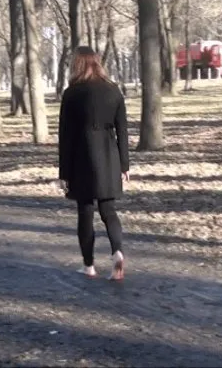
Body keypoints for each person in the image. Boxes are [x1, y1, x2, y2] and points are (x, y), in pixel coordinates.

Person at [58, 46, 130, 281]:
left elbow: (65, 136)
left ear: (77, 65)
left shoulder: (72, 94)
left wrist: (64, 172)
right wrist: (124, 166)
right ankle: (117, 251)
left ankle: (89, 265)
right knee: (109, 209)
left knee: (85, 211)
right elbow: (123, 131)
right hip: (110, 155)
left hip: (81, 156)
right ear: (98, 63)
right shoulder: (114, 91)